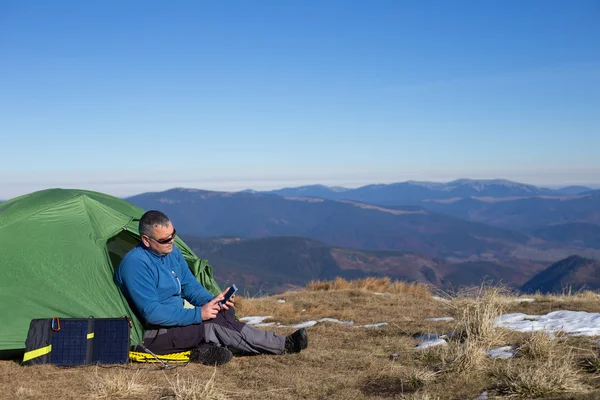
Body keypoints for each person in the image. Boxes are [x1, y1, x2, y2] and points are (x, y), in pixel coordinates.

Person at [116, 210, 308, 366]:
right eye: (165, 240)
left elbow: (189, 286)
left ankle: (203, 350)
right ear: (146, 240)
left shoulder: (172, 253)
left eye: (173, 235)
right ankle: (284, 345)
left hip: (175, 321)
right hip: (153, 334)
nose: (172, 242)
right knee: (210, 326)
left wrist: (211, 301)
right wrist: (199, 314)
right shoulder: (136, 265)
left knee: (224, 311)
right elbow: (152, 313)